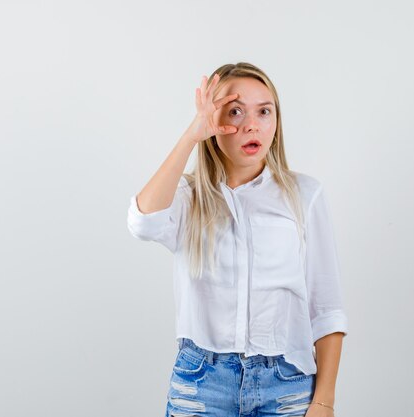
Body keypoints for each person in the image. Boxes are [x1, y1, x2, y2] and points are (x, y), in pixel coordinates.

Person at [127, 62, 348, 417]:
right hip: (201, 385)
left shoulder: (305, 195)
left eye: (264, 111)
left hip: (286, 385)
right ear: (213, 123)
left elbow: (326, 310)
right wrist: (190, 136)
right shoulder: (187, 197)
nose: (251, 124)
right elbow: (142, 222)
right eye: (234, 112)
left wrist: (324, 401)